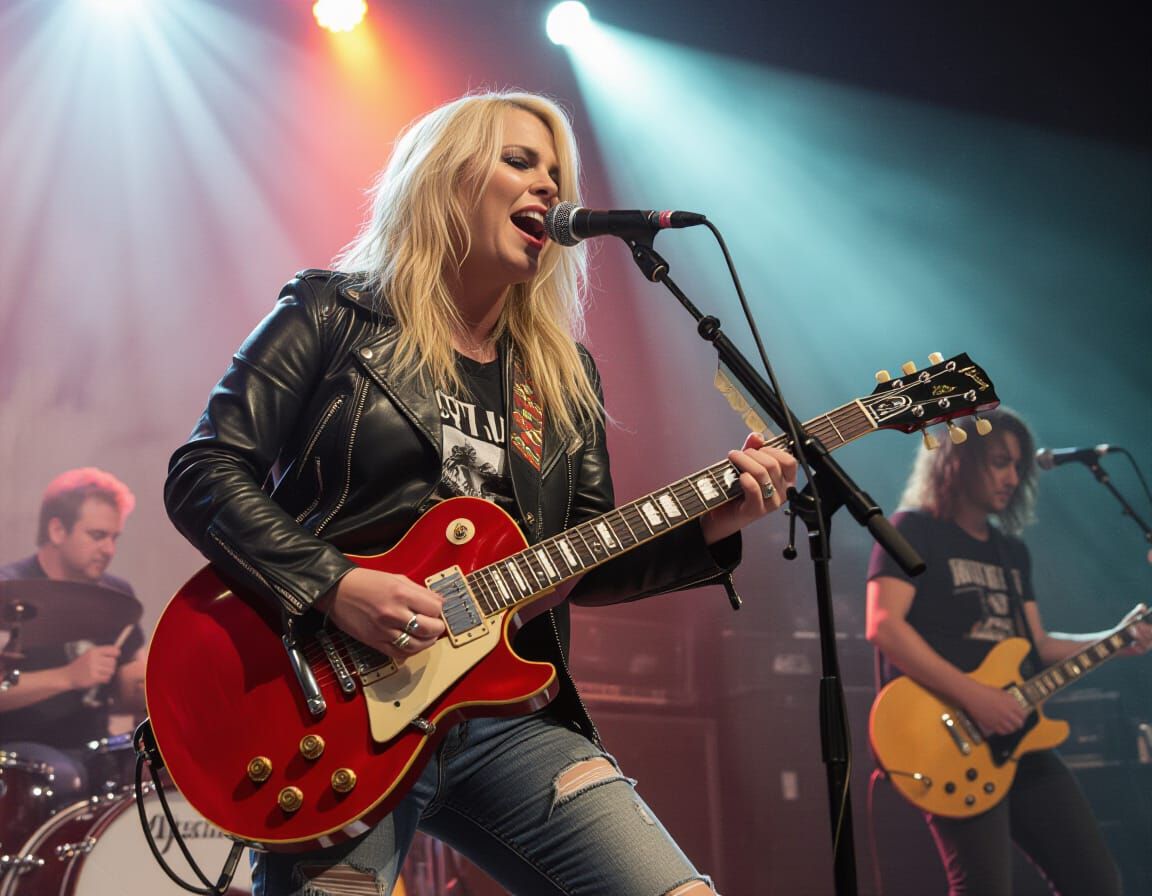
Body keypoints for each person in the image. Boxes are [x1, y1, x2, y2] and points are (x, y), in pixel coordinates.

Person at [163, 90, 797, 896]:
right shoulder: (334, 312)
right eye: (520, 162)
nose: (548, 188)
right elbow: (204, 470)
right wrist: (339, 585)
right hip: (332, 706)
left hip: (508, 719)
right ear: (446, 179)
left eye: (557, 172)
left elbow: (585, 555)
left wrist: (716, 523)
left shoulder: (560, 375)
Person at [865, 407, 1152, 895]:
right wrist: (975, 697)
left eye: (1016, 465)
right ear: (959, 461)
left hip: (1019, 736)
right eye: (998, 461)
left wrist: (1117, 638)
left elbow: (1036, 646)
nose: (1011, 476)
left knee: (1097, 882)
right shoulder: (913, 529)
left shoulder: (1010, 551)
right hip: (947, 735)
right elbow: (884, 627)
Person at [0, 467, 147, 797]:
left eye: (114, 537)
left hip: (93, 748)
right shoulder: (8, 592)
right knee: (65, 776)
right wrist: (68, 676)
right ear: (57, 529)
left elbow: (131, 688)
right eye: (97, 536)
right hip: (17, 751)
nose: (109, 549)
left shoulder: (117, 596)